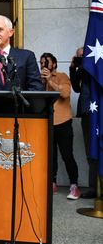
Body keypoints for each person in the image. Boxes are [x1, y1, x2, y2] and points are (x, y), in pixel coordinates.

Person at [40, 53, 81, 199]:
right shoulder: (39, 80)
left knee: (67, 155)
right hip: (47, 122)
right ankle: (52, 183)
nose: (43, 65)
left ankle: (74, 185)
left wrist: (50, 79)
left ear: (54, 64)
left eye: (46, 62)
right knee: (50, 156)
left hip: (63, 122)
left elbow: (65, 93)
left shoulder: (62, 76)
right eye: (42, 62)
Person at [69, 47, 99, 199]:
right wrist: (73, 68)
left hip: (99, 113)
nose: (81, 57)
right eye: (79, 55)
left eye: (83, 55)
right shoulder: (82, 69)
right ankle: (94, 188)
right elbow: (75, 87)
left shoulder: (97, 67)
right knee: (90, 152)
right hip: (88, 114)